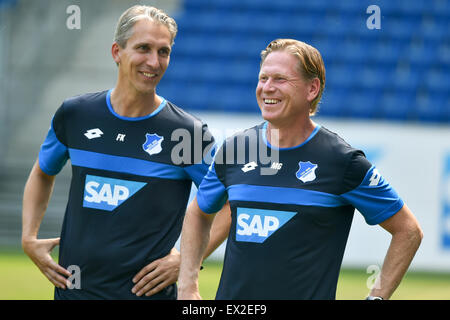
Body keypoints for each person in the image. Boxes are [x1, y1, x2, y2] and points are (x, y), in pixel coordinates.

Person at [177, 39, 423, 300]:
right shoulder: (235, 149)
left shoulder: (341, 161)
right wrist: (187, 286)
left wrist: (376, 297)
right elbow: (198, 212)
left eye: (280, 79)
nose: (267, 88)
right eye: (263, 78)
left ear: (312, 88)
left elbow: (408, 230)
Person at [22, 5, 229, 300]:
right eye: (143, 48)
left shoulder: (188, 134)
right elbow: (43, 172)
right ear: (117, 52)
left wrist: (186, 259)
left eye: (164, 51)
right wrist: (29, 237)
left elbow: (229, 203)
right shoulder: (76, 114)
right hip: (73, 293)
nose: (154, 62)